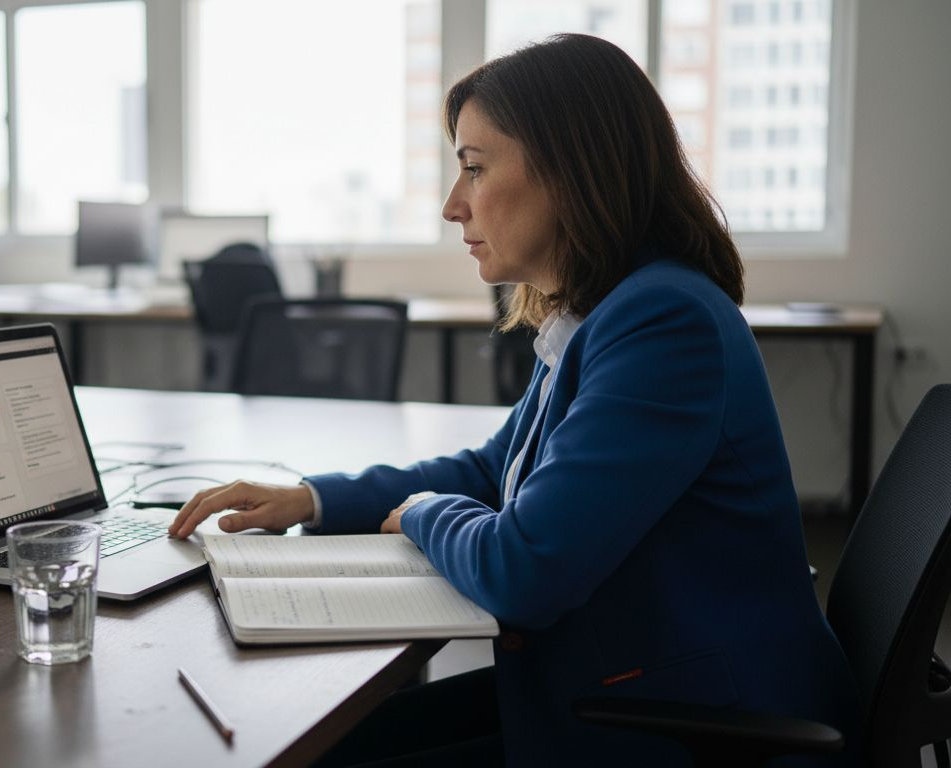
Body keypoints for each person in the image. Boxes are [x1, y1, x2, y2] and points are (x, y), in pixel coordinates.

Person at [169, 33, 862, 766]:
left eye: (473, 169)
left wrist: (421, 515)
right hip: (617, 684)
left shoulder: (664, 323)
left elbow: (522, 571)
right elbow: (491, 470)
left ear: (571, 171)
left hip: (689, 726)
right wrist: (312, 500)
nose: (450, 206)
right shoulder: (601, 310)